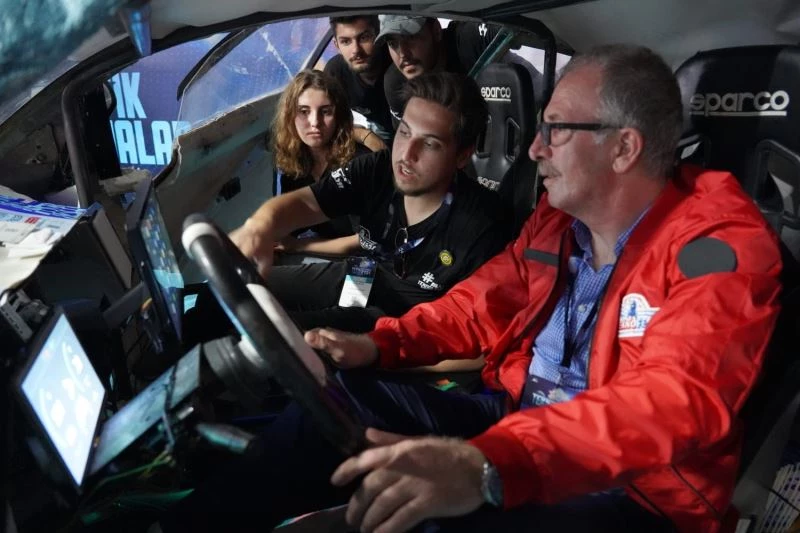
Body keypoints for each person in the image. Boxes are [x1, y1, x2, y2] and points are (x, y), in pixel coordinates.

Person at [162, 44, 781, 532]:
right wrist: (378, 344)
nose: (534, 149)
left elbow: (671, 403)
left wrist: (488, 464)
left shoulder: (721, 247)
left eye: (555, 129)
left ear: (623, 148)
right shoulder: (558, 220)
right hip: (519, 419)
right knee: (338, 407)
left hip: (638, 492)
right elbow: (478, 305)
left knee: (433, 518)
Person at [233, 71, 511, 332]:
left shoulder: (484, 227)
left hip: (406, 321)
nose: (406, 155)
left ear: (462, 156)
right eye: (405, 132)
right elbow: (307, 203)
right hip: (364, 273)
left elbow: (479, 332)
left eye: (429, 144)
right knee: (244, 287)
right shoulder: (377, 169)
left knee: (283, 331)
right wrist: (259, 227)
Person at [378, 16, 541, 127]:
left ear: (436, 30)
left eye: (410, 37)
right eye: (393, 44)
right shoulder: (396, 84)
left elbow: (523, 26)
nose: (403, 54)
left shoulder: (467, 40)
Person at [271, 69, 368, 256]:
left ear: (338, 116)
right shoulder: (289, 160)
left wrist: (298, 245)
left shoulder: (359, 163)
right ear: (289, 115)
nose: (315, 122)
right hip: (320, 248)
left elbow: (365, 240)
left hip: (364, 256)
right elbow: (289, 222)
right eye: (304, 111)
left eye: (326, 111)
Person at [324, 15, 394, 143]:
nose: (356, 50)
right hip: (379, 133)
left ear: (379, 35)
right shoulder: (336, 73)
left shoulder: (398, 61)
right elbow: (332, 123)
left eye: (364, 38)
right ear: (337, 45)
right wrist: (364, 135)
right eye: (346, 41)